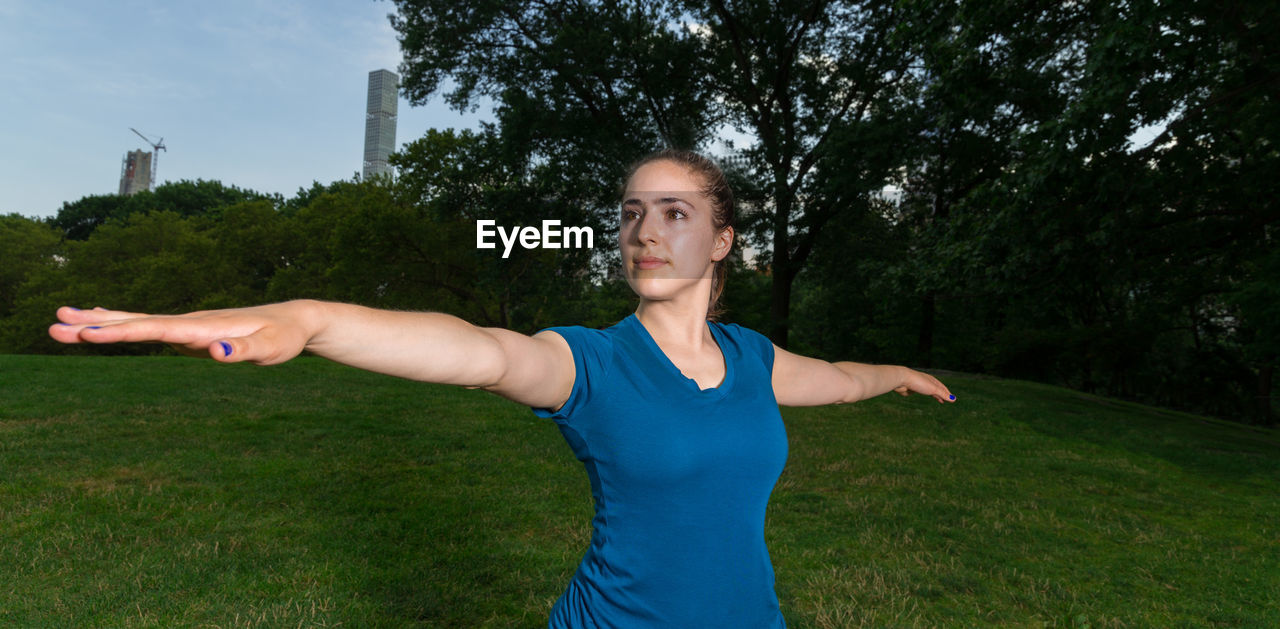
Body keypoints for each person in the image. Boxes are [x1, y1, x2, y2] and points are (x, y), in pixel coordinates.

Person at [49, 148, 955, 627]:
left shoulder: (754, 358)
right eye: (632, 211)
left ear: (721, 242)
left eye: (674, 213)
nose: (644, 229)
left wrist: (899, 374)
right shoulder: (589, 365)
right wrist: (312, 318)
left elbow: (835, 382)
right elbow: (478, 349)